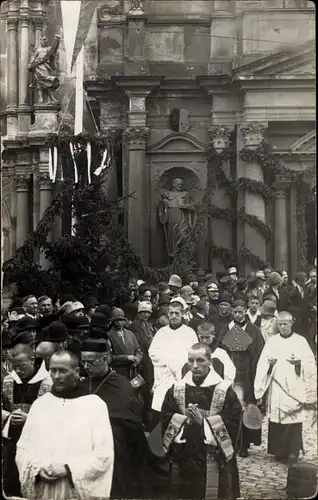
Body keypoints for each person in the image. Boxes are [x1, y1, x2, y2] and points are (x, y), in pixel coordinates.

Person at [15, 350, 114, 500]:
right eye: (53, 370)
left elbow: (103, 455)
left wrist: (67, 469)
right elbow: (23, 448)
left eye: (62, 371)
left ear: (76, 372)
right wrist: (36, 469)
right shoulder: (40, 405)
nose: (56, 376)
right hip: (44, 488)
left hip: (74, 489)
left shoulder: (94, 405)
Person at [161, 343, 241, 500]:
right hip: (184, 453)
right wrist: (186, 422)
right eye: (190, 361)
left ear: (210, 362)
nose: (195, 366)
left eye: (200, 360)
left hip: (213, 456)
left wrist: (203, 424)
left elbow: (234, 423)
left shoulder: (224, 391)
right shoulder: (177, 389)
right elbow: (165, 417)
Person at [81, 337, 150, 498]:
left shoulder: (122, 386)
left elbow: (132, 424)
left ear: (105, 359)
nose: (86, 367)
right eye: (83, 362)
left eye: (90, 362)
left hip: (115, 453)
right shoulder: (81, 385)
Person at [254, 311, 316, 468]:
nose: (282, 327)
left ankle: (293, 451)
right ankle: (279, 451)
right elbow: (262, 364)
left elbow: (310, 364)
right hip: (277, 386)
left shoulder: (300, 341)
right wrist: (270, 365)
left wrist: (299, 364)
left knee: (293, 417)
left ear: (291, 323)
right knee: (278, 416)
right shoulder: (272, 342)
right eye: (280, 324)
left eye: (285, 324)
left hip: (294, 386)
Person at [216, 299, 265, 457]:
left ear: (245, 311)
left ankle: (244, 444)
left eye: (240, 312)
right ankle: (231, 442)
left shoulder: (254, 330)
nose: (238, 315)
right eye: (235, 312)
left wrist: (246, 346)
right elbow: (220, 350)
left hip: (247, 375)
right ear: (232, 312)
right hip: (231, 375)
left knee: (245, 408)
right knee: (231, 408)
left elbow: (259, 353)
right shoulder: (226, 328)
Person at [2, 343, 52, 497]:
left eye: (22, 366)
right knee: (12, 482)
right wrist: (9, 417)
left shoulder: (48, 382)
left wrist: (29, 419)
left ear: (32, 360)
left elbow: (55, 413)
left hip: (39, 441)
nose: (18, 370)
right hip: (13, 439)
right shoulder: (8, 381)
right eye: (14, 366)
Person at [149, 300, 198, 430]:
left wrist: (180, 367)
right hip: (164, 376)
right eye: (171, 313)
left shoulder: (189, 333)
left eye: (177, 313)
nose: (174, 316)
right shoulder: (161, 333)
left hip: (181, 376)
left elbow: (194, 355)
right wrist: (168, 362)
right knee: (160, 408)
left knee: (180, 410)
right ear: (168, 314)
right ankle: (158, 444)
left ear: (182, 314)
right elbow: (153, 353)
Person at [129, 301, 155, 428]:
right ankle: (142, 419)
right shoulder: (135, 326)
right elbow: (141, 343)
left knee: (147, 389)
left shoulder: (148, 325)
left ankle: (146, 418)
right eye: (143, 312)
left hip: (149, 360)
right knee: (140, 389)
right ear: (139, 313)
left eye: (148, 312)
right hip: (141, 361)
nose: (146, 314)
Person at [108, 308, 143, 380]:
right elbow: (110, 357)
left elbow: (138, 349)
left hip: (132, 371)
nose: (120, 323)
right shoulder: (109, 336)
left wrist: (137, 359)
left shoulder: (130, 333)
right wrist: (127, 358)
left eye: (121, 320)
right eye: (117, 321)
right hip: (118, 371)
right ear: (113, 322)